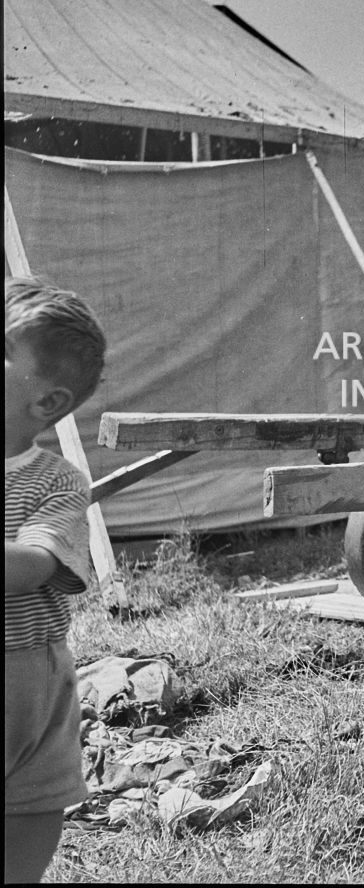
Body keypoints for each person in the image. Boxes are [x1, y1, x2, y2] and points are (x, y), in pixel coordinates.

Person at [5, 276, 107, 883]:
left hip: (29, 689)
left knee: (31, 819)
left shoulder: (56, 482)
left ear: (46, 403)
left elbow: (35, 565)